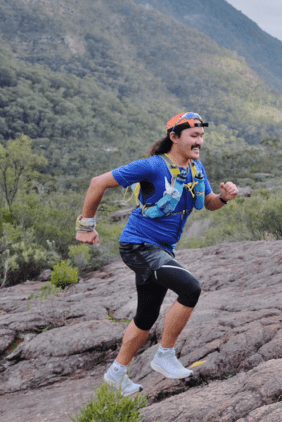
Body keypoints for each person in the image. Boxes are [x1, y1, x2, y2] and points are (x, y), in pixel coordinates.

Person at [75, 112, 239, 395]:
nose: (199, 142)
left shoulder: (196, 169)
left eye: (201, 136)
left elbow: (208, 203)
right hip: (139, 245)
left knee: (146, 315)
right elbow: (97, 182)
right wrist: (86, 226)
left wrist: (224, 197)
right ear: (174, 137)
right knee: (190, 289)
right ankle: (164, 355)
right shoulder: (152, 166)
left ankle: (116, 373)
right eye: (194, 136)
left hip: (160, 249)